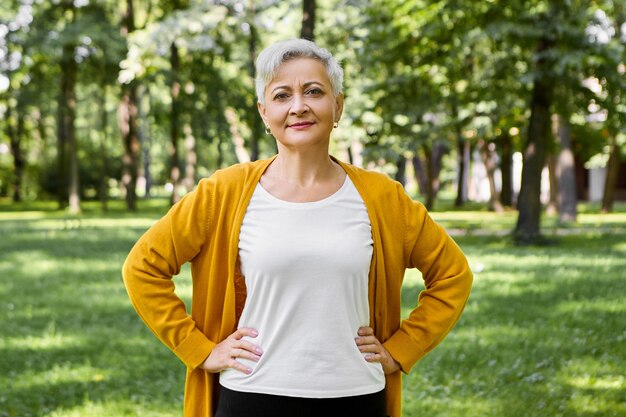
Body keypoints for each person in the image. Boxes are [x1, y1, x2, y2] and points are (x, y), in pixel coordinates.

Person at [122, 38, 472, 417]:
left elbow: (453, 275)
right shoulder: (222, 192)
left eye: (314, 91)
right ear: (263, 112)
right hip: (250, 395)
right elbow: (142, 267)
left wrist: (402, 348)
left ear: (337, 105)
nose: (298, 106)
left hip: (356, 395)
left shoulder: (384, 198)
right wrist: (201, 350)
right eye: (282, 95)